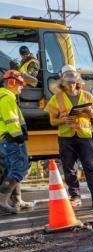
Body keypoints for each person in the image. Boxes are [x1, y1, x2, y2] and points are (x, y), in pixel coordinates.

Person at [44, 66, 93, 207]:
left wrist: (89, 110)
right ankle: (75, 197)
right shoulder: (57, 98)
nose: (72, 84)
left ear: (78, 82)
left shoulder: (87, 96)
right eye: (69, 82)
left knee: (90, 167)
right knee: (69, 169)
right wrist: (63, 120)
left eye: (74, 82)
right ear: (63, 83)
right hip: (66, 137)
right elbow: (52, 121)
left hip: (84, 137)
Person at [0, 70, 34, 214]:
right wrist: (19, 138)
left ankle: (17, 200)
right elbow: (12, 121)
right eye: (20, 84)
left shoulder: (5, 96)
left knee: (11, 168)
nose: (22, 87)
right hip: (12, 139)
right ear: (12, 82)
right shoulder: (7, 98)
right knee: (19, 169)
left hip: (5, 140)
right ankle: (2, 200)